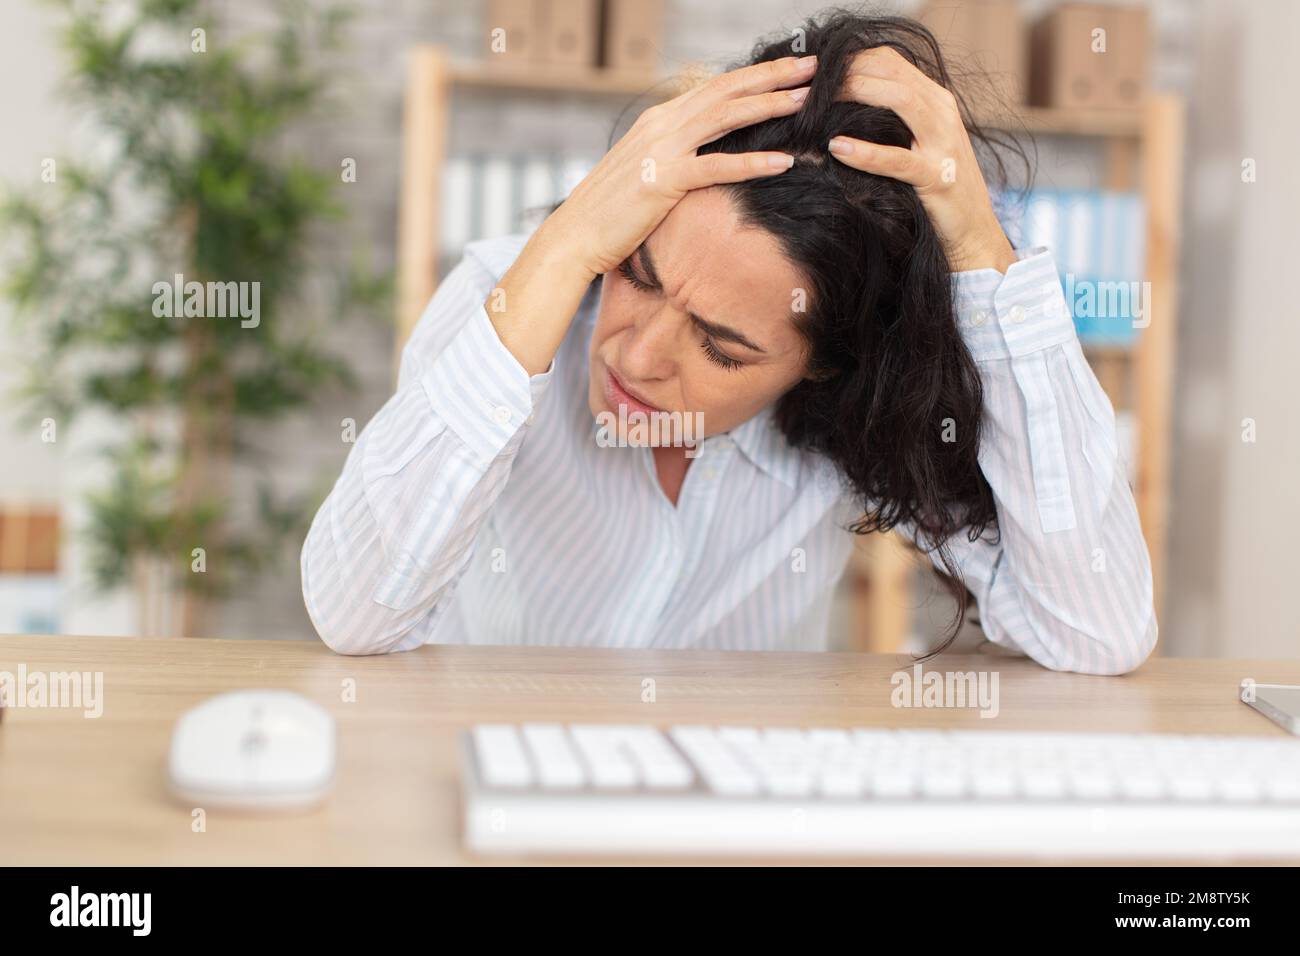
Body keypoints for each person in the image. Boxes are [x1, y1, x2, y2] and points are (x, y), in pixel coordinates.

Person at [301, 11, 1157, 675]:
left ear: (825, 363)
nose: (635, 358)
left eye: (723, 347)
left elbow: (1096, 632)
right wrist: (567, 245)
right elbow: (355, 615)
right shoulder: (511, 298)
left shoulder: (851, 413)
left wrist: (982, 252)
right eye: (634, 273)